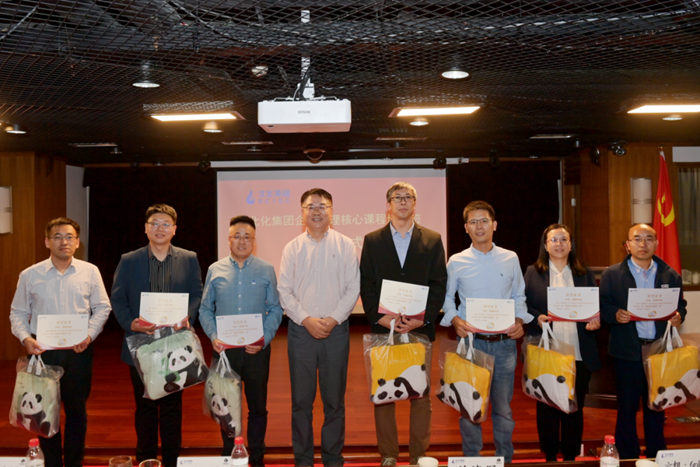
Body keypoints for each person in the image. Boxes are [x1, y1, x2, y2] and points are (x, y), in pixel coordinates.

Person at [10, 217, 111, 467]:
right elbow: (18, 313)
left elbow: (102, 307)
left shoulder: (90, 271)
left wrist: (89, 335)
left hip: (79, 352)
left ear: (77, 242)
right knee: (44, 411)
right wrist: (26, 338)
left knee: (77, 412)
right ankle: (52, 463)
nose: (63, 242)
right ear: (47, 242)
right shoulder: (30, 275)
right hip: (42, 353)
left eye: (69, 237)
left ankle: (74, 462)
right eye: (57, 237)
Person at [359, 182, 447, 466]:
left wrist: (423, 318)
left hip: (419, 329)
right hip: (384, 328)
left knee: (420, 394)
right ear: (389, 205)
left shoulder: (432, 239)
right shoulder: (373, 240)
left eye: (408, 197)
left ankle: (419, 454)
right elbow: (366, 284)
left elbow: (439, 283)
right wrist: (379, 317)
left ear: (415, 204)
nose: (403, 202)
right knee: (384, 393)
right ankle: (388, 454)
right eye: (397, 198)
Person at [111, 204, 203, 467]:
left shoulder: (189, 258)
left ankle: (172, 461)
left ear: (174, 229)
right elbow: (117, 298)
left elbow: (197, 293)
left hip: (175, 344)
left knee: (173, 407)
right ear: (145, 228)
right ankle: (147, 460)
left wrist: (187, 316)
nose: (160, 228)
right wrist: (132, 324)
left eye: (165, 224)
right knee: (145, 407)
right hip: (141, 344)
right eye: (154, 223)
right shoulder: (129, 260)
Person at [440, 200, 532, 463]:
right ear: (466, 228)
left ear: (494, 225)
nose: (479, 226)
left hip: (504, 345)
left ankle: (505, 458)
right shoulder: (456, 261)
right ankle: (472, 459)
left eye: (484, 221)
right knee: (469, 406)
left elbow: (519, 296)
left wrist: (519, 320)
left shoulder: (510, 258)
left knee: (503, 409)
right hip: (471, 344)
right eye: (473, 222)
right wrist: (455, 319)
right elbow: (447, 299)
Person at [278, 188, 360, 467]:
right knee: (301, 401)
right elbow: (285, 291)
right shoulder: (292, 247)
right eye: (310, 207)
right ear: (302, 213)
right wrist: (306, 319)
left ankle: (333, 458)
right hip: (301, 331)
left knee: (334, 400)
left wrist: (333, 318)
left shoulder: (346, 245)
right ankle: (303, 460)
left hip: (336, 332)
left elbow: (353, 287)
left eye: (322, 206)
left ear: (331, 211)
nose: (316, 211)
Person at [199, 215, 284, 465]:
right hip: (224, 352)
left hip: (256, 351)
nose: (242, 241)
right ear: (229, 239)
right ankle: (230, 456)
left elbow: (275, 308)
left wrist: (264, 339)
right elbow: (205, 309)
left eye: (247, 237)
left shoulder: (266, 269)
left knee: (257, 407)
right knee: (226, 407)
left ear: (254, 241)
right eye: (237, 236)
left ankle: (256, 457)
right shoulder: (215, 269)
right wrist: (213, 336)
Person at [600, 223, 686, 460]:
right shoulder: (612, 274)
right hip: (627, 350)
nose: (643, 243)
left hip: (659, 351)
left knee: (657, 406)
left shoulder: (670, 274)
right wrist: (615, 314)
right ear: (627, 245)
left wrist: (679, 316)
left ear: (656, 243)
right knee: (627, 408)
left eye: (649, 239)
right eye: (637, 239)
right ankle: (628, 455)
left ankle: (657, 454)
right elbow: (603, 306)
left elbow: (680, 305)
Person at [523, 224, 601, 461]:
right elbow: (522, 305)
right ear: (545, 245)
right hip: (548, 351)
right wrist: (536, 317)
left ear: (571, 244)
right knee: (546, 406)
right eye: (553, 240)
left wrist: (595, 320)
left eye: (564, 239)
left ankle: (570, 457)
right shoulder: (533, 272)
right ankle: (549, 457)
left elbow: (594, 307)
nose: (559, 244)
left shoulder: (584, 273)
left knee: (574, 407)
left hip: (579, 350)